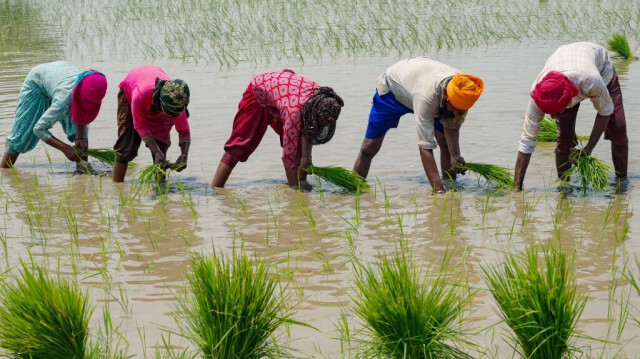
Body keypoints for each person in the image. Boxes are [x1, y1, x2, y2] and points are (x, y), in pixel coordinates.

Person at [352, 57, 484, 193]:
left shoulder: (465, 92)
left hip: (428, 93)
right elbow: (425, 147)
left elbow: (452, 126)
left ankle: (451, 186)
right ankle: (354, 189)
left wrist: (455, 155)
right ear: (446, 95)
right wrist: (438, 193)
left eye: (461, 110)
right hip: (393, 93)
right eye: (454, 108)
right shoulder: (427, 96)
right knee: (368, 148)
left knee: (445, 144)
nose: (457, 112)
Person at [514, 42, 628, 190]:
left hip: (599, 67)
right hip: (564, 59)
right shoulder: (539, 95)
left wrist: (588, 148)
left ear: (568, 100)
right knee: (564, 137)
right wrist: (517, 188)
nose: (553, 117)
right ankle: (565, 187)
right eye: (550, 112)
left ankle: (622, 185)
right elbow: (526, 142)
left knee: (618, 127)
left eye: (556, 112)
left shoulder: (591, 81)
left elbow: (605, 111)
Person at [210, 69, 344, 188]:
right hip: (258, 94)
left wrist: (306, 158)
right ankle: (215, 190)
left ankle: (303, 184)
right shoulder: (294, 113)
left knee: (298, 148)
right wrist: (295, 192)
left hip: (283, 94)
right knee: (240, 145)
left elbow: (309, 127)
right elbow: (288, 156)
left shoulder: (323, 98)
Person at [1, 61, 107, 168]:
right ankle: (4, 171)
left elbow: (83, 114)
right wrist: (65, 148)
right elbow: (38, 129)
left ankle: (83, 170)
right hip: (37, 84)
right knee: (21, 137)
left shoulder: (94, 84)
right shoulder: (64, 101)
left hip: (58, 77)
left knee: (82, 137)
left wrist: (79, 138)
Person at [112, 65, 191, 182]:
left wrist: (184, 156)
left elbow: (184, 131)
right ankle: (117, 187)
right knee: (126, 148)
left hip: (159, 100)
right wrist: (156, 151)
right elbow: (140, 126)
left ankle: (161, 191)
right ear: (160, 104)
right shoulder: (140, 95)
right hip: (131, 90)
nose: (172, 117)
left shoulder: (177, 102)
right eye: (169, 113)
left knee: (161, 147)